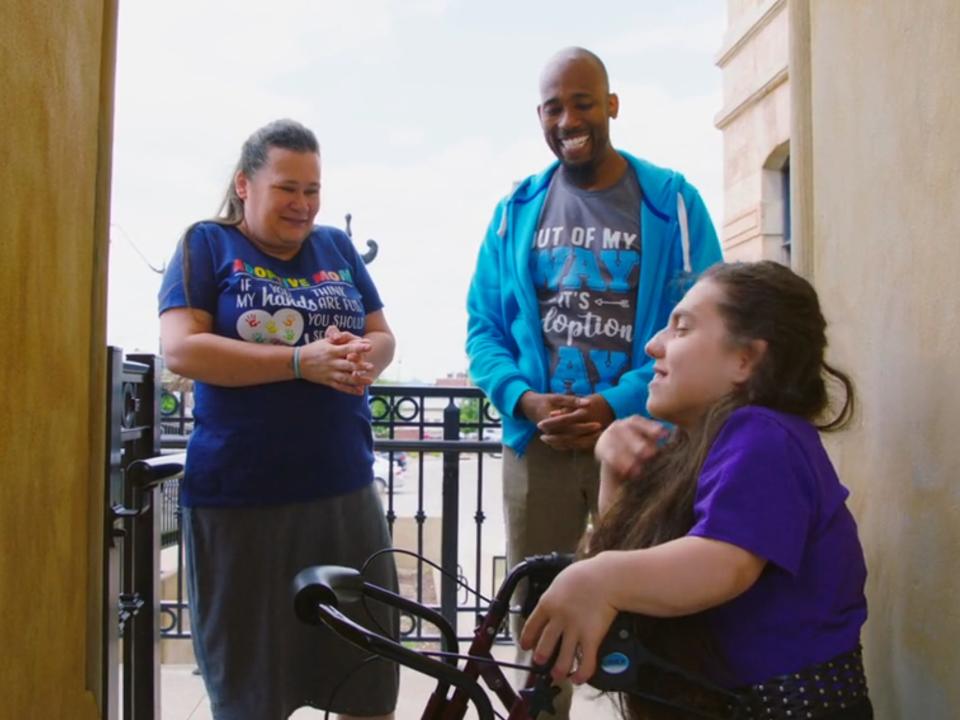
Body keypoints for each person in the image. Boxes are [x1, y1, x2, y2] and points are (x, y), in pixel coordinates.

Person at [465, 46, 722, 716]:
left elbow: (704, 324)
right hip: (540, 453)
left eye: (584, 101)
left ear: (611, 104)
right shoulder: (513, 211)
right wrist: (521, 397)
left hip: (648, 447)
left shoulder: (672, 203)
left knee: (650, 619)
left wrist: (614, 403)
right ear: (540, 117)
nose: (569, 117)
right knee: (543, 622)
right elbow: (483, 331)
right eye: (555, 106)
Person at [520, 261, 873, 720]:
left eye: (681, 329)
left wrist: (599, 577)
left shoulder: (765, 436)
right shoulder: (706, 442)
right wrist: (614, 470)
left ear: (745, 360)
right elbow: (648, 557)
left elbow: (723, 565)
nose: (653, 346)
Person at [158, 119, 399, 720]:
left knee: (367, 681)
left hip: (345, 490)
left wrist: (358, 355)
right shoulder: (206, 244)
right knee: (252, 694)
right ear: (245, 184)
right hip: (242, 502)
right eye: (287, 188)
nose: (303, 204)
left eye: (313, 190)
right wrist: (299, 361)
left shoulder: (336, 249)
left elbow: (383, 336)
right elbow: (182, 350)